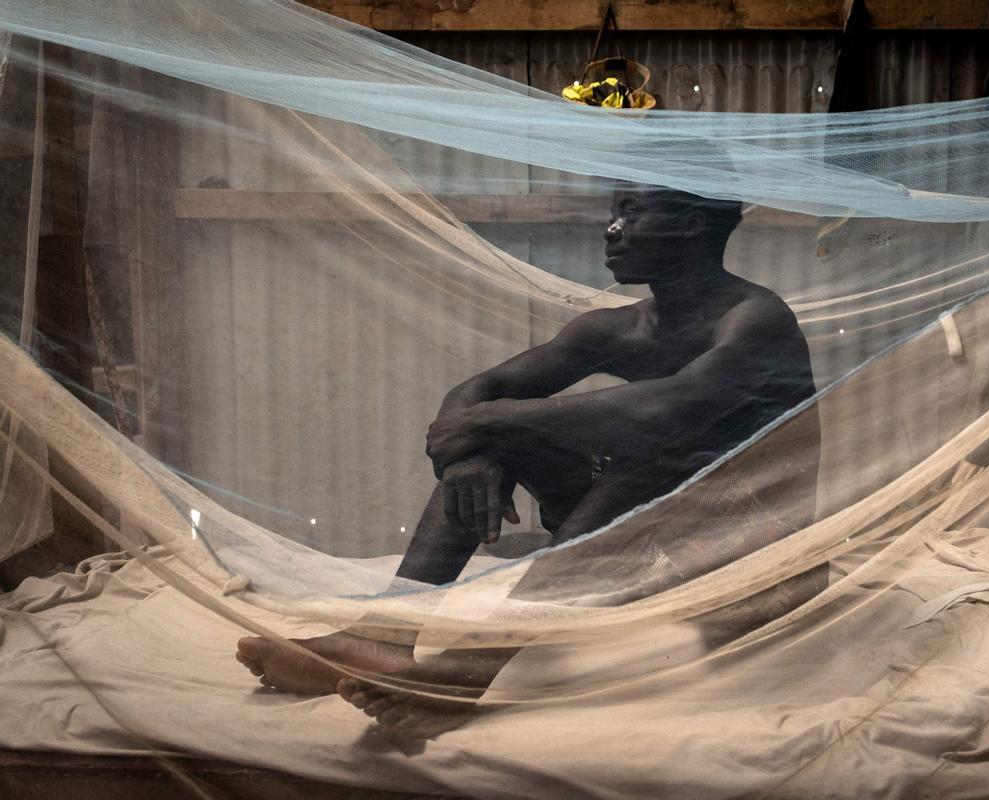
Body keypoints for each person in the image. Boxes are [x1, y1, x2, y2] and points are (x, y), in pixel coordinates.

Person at [235, 175, 819, 735]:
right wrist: (476, 453)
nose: (611, 230)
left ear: (692, 224)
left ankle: (470, 670)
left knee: (650, 456)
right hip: (637, 539)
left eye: (632, 212)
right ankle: (385, 634)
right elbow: (473, 393)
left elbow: (667, 409)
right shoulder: (616, 328)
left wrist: (488, 423)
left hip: (749, 557)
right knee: (499, 439)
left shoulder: (756, 319)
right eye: (613, 213)